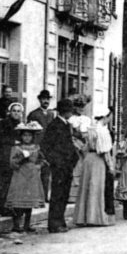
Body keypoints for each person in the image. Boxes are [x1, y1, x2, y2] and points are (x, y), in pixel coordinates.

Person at [41, 99, 81, 233]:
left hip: (67, 165)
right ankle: (54, 223)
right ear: (66, 111)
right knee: (58, 194)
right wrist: (56, 162)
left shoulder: (65, 125)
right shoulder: (55, 125)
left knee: (64, 194)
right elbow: (47, 146)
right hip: (60, 166)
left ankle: (60, 221)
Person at [74, 103, 115, 227]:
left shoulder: (90, 128)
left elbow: (85, 147)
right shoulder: (102, 130)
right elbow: (105, 151)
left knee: (88, 187)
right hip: (98, 160)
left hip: (88, 159)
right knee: (97, 187)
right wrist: (111, 166)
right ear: (106, 117)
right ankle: (96, 217)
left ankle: (85, 217)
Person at [6, 122, 47, 233]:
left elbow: (43, 160)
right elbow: (12, 163)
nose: (27, 138)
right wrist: (21, 158)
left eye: (29, 136)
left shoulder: (36, 148)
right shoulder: (16, 148)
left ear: (33, 137)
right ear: (21, 136)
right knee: (18, 201)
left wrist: (38, 166)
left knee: (29, 203)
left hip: (32, 176)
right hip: (20, 175)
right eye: (24, 135)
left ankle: (27, 225)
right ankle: (16, 225)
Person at [0, 102, 23, 217]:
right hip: (2, 155)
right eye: (14, 111)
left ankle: (7, 207)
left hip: (14, 156)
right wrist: (13, 142)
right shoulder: (3, 123)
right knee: (0, 183)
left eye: (18, 111)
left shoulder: (21, 125)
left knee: (9, 183)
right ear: (9, 112)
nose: (16, 113)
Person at [27, 90, 56, 201]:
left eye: (47, 99)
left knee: (46, 173)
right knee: (33, 171)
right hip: (36, 145)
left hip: (48, 147)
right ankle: (32, 195)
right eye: (44, 99)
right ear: (39, 100)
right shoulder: (34, 114)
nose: (46, 101)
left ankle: (43, 196)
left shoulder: (51, 114)